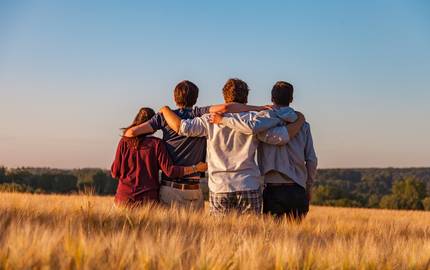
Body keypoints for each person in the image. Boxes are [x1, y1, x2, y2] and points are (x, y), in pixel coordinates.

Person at [159, 78, 305, 215]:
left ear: (225, 97)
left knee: (220, 237)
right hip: (248, 184)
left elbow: (182, 128)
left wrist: (165, 110)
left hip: (220, 186)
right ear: (246, 98)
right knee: (251, 237)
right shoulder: (256, 119)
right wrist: (299, 120)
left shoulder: (209, 119)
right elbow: (280, 137)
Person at [123, 80, 267, 210]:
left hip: (170, 188)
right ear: (196, 98)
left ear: (175, 98)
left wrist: (154, 139)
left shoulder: (163, 117)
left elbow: (131, 133)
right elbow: (225, 108)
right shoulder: (199, 114)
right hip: (195, 189)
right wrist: (259, 108)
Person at [212, 81, 318, 220]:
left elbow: (251, 128)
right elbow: (311, 160)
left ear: (272, 98)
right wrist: (308, 187)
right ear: (291, 99)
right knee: (296, 239)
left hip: (272, 190)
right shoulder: (302, 125)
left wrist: (223, 120)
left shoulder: (261, 123)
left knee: (272, 238)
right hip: (298, 188)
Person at [111, 107, 207, 208]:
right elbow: (170, 171)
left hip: (123, 198)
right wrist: (195, 168)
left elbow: (115, 172)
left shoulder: (124, 141)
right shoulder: (157, 144)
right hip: (148, 201)